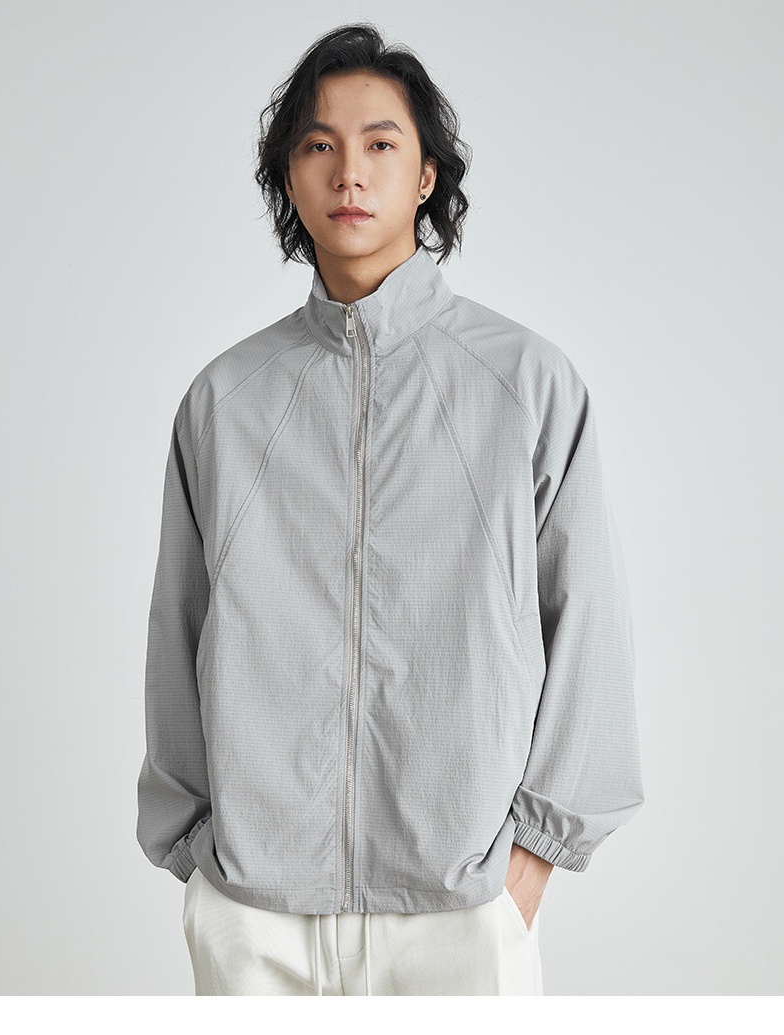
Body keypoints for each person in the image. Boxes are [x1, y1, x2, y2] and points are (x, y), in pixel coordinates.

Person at [136, 22, 643, 996]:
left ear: (424, 176)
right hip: (256, 913)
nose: (349, 173)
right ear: (288, 179)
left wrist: (528, 864)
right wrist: (201, 852)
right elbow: (178, 629)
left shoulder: (526, 385)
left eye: (379, 143)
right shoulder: (225, 402)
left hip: (461, 908)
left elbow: (589, 625)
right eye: (317, 145)